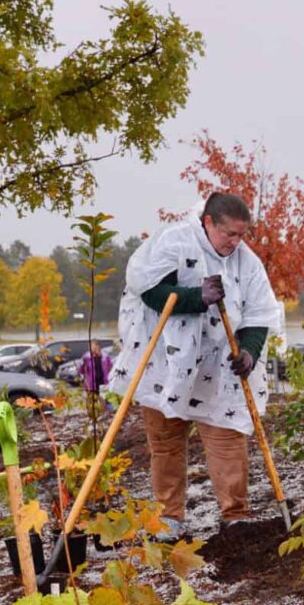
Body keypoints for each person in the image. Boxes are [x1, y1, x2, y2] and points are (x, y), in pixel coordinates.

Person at [110, 192, 278, 540]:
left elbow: (260, 313)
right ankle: (169, 517)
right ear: (208, 223)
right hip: (167, 362)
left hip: (218, 367)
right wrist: (194, 297)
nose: (235, 242)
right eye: (228, 234)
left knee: (228, 439)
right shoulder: (173, 243)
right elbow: (147, 289)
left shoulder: (247, 264)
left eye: (241, 234)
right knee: (166, 442)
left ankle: (236, 515)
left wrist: (248, 350)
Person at [78, 339, 113, 407]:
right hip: (91, 383)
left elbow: (111, 367)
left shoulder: (105, 356)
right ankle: (92, 414)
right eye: (90, 346)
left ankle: (107, 412)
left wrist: (110, 378)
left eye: (93, 346)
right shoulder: (86, 357)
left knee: (105, 399)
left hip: (103, 382)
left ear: (98, 346)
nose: (91, 348)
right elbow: (81, 370)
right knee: (92, 401)